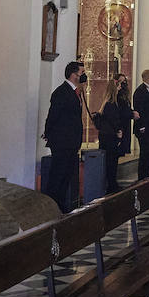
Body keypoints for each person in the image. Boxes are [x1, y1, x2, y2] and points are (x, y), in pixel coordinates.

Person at [43, 60, 86, 213]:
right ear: (74, 75)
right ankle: (51, 207)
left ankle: (60, 205)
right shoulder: (61, 92)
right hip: (62, 141)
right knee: (58, 175)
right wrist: (48, 132)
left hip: (71, 141)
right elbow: (53, 115)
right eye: (82, 73)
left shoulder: (75, 92)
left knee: (66, 175)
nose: (83, 76)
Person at [94, 88, 125, 195]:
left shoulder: (106, 104)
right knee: (111, 162)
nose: (120, 88)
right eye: (118, 86)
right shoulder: (111, 105)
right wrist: (118, 131)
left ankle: (112, 184)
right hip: (110, 137)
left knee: (110, 162)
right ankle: (112, 185)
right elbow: (113, 120)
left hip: (106, 136)